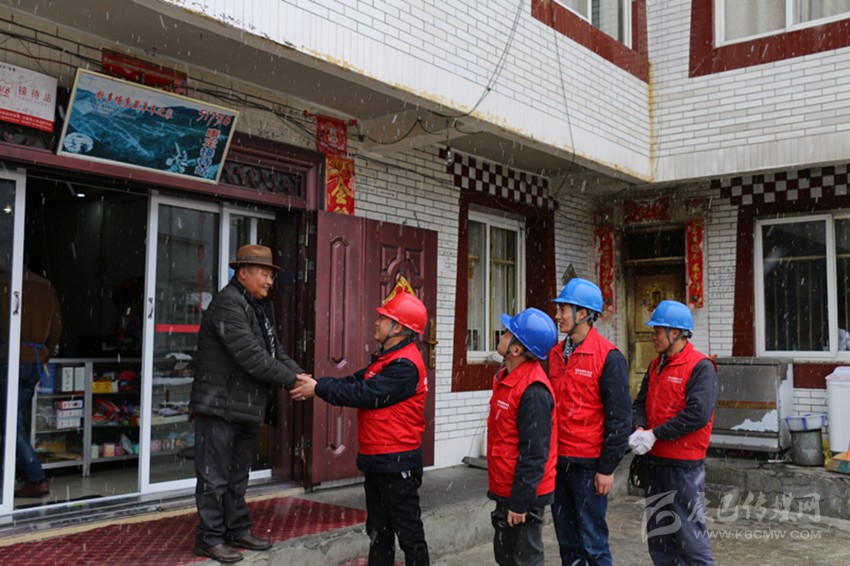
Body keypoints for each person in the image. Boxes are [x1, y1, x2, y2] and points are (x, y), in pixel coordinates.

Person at [290, 291, 430, 566]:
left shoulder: (405, 366)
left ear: (398, 328)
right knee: (379, 532)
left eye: (383, 318)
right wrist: (317, 384)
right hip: (380, 461)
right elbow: (355, 382)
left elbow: (364, 394)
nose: (376, 322)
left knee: (409, 534)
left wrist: (318, 389)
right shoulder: (387, 359)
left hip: (396, 462)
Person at [191, 244, 310, 564]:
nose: (270, 281)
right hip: (219, 407)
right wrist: (292, 380)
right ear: (242, 273)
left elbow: (273, 351)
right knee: (214, 478)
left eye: (271, 275)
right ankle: (209, 538)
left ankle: (237, 529)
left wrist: (301, 375)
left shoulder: (258, 306)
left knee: (237, 475)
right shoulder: (228, 304)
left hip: (244, 406)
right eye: (264, 274)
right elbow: (252, 357)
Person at [547, 278, 631, 566]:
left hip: (588, 466)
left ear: (583, 313)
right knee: (567, 542)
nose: (557, 315)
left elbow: (619, 419)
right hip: (559, 463)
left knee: (593, 543)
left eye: (563, 309)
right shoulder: (555, 355)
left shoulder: (609, 357)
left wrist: (607, 468)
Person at [630, 300, 718, 566]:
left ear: (676, 332)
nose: (653, 336)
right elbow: (640, 403)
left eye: (658, 330)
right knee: (661, 538)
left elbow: (698, 414)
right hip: (655, 463)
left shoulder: (700, 366)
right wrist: (640, 427)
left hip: (683, 467)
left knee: (690, 539)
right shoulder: (656, 365)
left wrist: (655, 434)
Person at [487, 307, 558, 566]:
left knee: (524, 558)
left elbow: (534, 453)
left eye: (508, 333)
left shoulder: (533, 391)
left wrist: (520, 503)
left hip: (523, 494)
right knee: (507, 556)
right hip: (508, 487)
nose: (502, 335)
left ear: (516, 350)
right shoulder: (509, 378)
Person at [4, 266, 63, 499]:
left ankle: (36, 478)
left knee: (10, 422)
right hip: (34, 362)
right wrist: (44, 353)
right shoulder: (45, 286)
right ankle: (13, 476)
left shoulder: (5, 283)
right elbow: (57, 326)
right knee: (14, 420)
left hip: (8, 359)